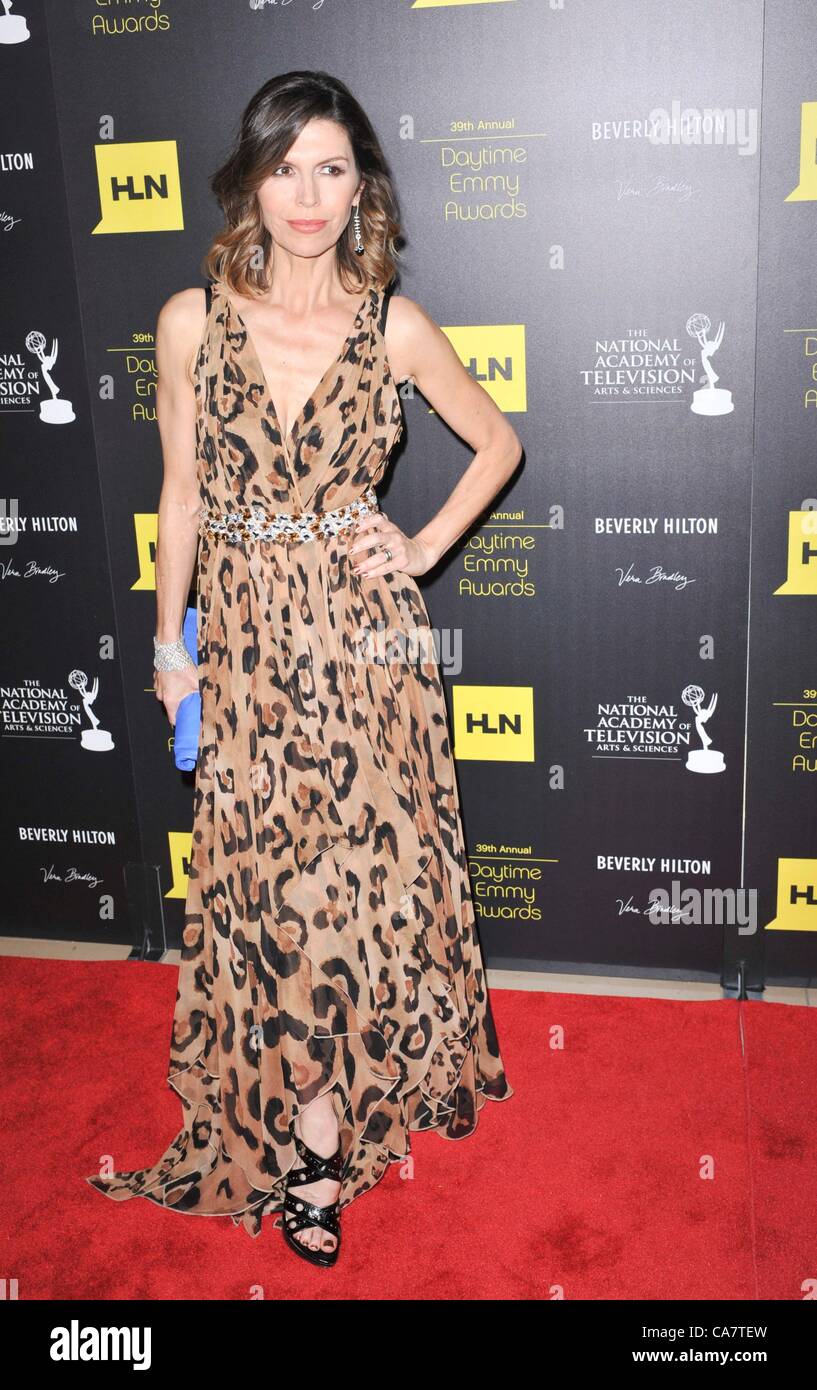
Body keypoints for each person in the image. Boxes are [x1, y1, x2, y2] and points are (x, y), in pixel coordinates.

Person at [86, 70, 522, 1269]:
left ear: (362, 187)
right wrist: (171, 645)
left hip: (366, 651)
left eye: (332, 168)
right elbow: (180, 496)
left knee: (353, 891)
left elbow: (498, 441)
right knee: (270, 890)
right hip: (245, 647)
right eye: (287, 167)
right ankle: (309, 1126)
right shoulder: (191, 319)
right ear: (252, 180)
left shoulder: (391, 325)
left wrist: (423, 544)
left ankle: (321, 1151)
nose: (308, 195)